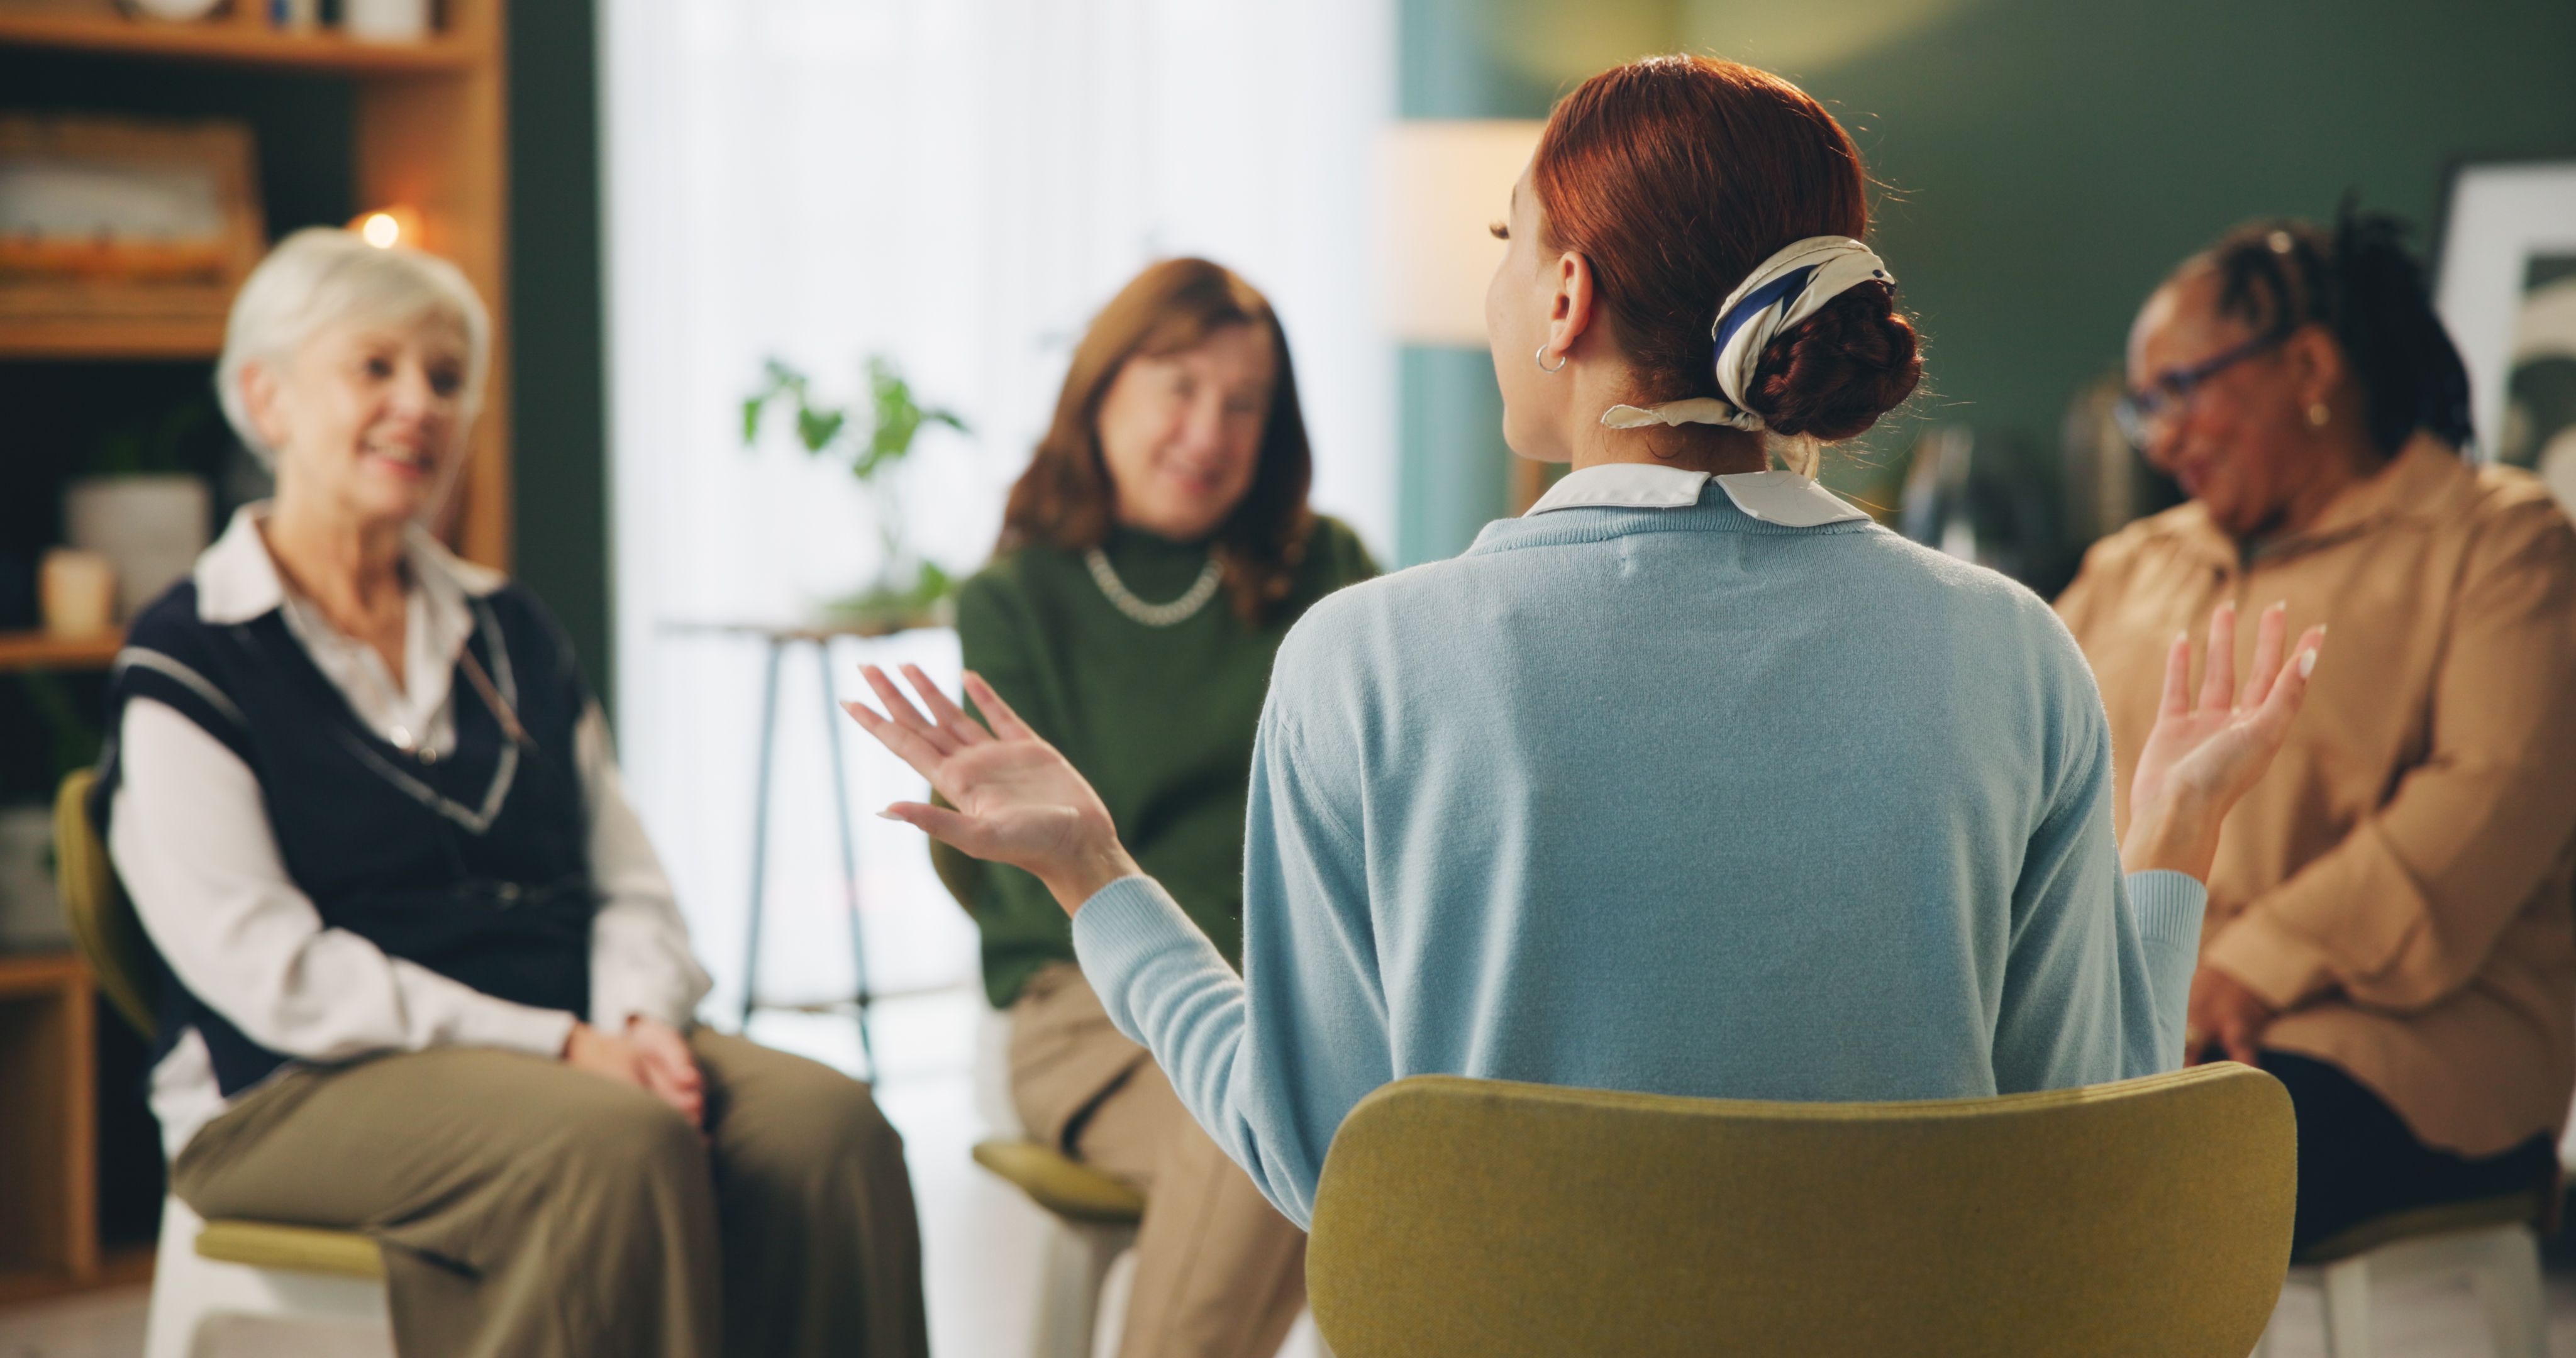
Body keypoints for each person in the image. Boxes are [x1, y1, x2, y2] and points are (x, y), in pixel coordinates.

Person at [848, 55, 2322, 1227]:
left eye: (1508, 245)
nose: (1499, 285)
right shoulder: (2015, 653)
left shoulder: (1360, 660)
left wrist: (1092, 873)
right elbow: (2079, 1122)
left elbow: (1327, 1175)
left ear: (1564, 298)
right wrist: (2175, 827)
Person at [97, 228, 928, 1358]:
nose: (421, 405)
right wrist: (558, 1046)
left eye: (446, 379)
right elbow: (271, 974)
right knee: (613, 1143)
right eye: (375, 368)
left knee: (831, 1128)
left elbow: (628, 881)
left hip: (574, 1043)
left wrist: (638, 1020)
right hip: (295, 1084)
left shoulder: (510, 630)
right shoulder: (189, 662)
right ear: (269, 398)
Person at [2057, 211, 2576, 1253]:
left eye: (2179, 391)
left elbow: (2489, 798)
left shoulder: (2502, 543)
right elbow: (2029, 776)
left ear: (2307, 365)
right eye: (2141, 409)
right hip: (2150, 1029)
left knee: (2130, 1196)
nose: (2160, 437)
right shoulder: (2131, 566)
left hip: (2401, 1043)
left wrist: (2245, 968)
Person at [933, 257, 1376, 1358]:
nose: (1209, 431)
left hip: (1317, 1009)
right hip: (1084, 1012)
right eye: (1178, 387)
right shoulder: (1016, 601)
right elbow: (1012, 877)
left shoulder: (1329, 569)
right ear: (1101, 391)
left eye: (1244, 404)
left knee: (1369, 1118)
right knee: (1268, 1121)